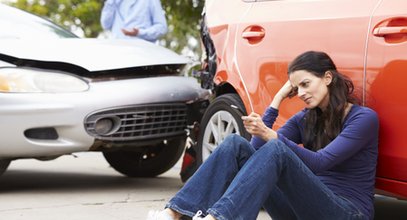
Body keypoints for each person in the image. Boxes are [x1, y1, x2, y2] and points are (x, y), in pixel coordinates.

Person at [148, 51, 379, 220]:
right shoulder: (306, 117)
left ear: (327, 78)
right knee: (236, 145)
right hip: (300, 210)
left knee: (277, 148)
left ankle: (218, 218)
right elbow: (258, 151)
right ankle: (173, 214)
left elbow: (321, 162)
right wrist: (277, 100)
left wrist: (273, 136)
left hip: (346, 212)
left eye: (306, 84)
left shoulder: (363, 118)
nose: (301, 93)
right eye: (296, 89)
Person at [100, 0, 168, 42]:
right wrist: (110, 2)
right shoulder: (114, 2)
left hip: (142, 54)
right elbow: (105, 25)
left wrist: (139, 33)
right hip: (119, 54)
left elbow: (162, 27)